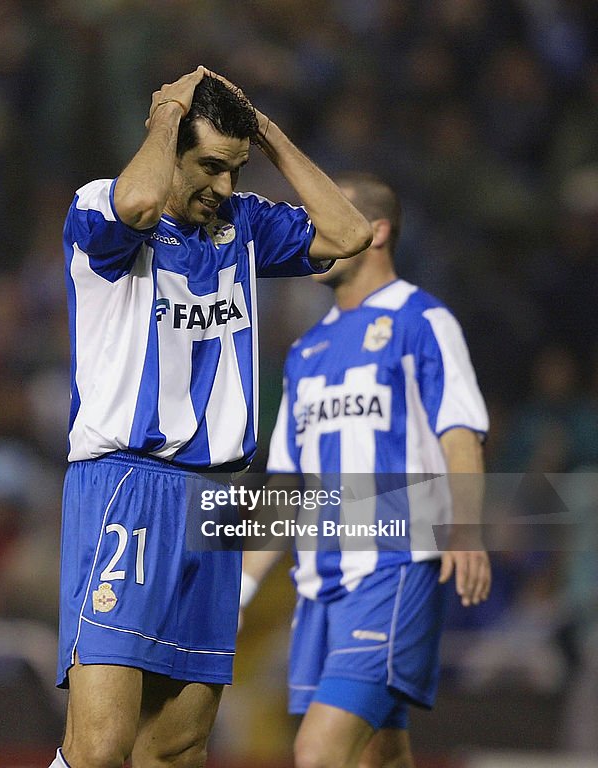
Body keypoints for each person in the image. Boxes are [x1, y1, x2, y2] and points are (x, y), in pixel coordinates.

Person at [54, 67, 372, 768]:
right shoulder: (102, 214)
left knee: (177, 747)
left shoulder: (245, 225)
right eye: (208, 168)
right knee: (99, 749)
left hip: (220, 500)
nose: (222, 188)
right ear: (166, 144)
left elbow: (348, 233)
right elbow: (138, 200)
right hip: (128, 488)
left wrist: (267, 133)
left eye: (235, 170)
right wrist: (166, 116)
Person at [241, 172, 491, 768]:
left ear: (375, 232)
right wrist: (243, 588)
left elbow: (461, 432)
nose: (311, 238)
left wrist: (464, 531)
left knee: (319, 752)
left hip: (393, 564)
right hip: (319, 581)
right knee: (380, 750)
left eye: (325, 221)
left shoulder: (421, 320)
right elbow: (286, 486)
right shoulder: (305, 352)